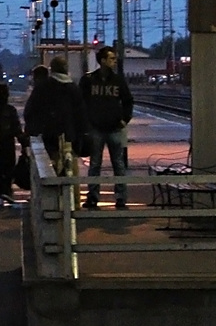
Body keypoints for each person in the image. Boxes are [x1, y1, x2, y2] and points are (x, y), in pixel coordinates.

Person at [79, 47, 134, 209]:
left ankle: (120, 197)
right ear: (102, 60)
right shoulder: (89, 81)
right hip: (97, 127)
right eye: (111, 58)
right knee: (96, 164)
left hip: (114, 127)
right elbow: (81, 103)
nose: (114, 61)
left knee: (117, 164)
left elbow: (128, 100)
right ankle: (94, 196)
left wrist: (125, 119)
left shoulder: (117, 81)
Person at [23, 56, 87, 172]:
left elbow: (31, 109)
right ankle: (70, 179)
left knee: (52, 161)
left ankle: (54, 176)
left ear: (51, 69)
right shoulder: (74, 88)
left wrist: (32, 129)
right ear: (66, 69)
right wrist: (82, 132)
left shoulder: (43, 86)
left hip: (49, 131)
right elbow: (81, 112)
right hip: (69, 131)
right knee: (71, 162)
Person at [0, 82, 27, 207]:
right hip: (7, 144)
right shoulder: (10, 110)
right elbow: (17, 129)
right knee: (8, 168)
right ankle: (7, 191)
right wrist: (24, 143)